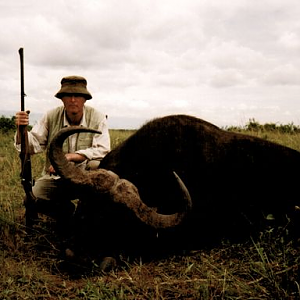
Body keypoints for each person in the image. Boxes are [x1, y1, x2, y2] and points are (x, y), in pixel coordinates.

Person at [15, 75, 111, 226]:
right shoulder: (51, 116)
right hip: (56, 178)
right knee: (31, 198)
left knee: (99, 169)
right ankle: (66, 213)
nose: (73, 100)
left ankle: (90, 217)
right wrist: (21, 129)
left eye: (78, 95)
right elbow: (32, 146)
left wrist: (73, 157)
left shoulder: (97, 117)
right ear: (62, 98)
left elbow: (104, 150)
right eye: (68, 95)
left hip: (85, 178)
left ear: (85, 99)